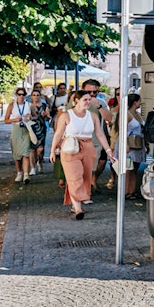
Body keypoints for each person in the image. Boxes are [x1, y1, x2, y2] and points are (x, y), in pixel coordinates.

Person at [49, 89, 115, 219]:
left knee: (85, 177)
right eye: (85, 100)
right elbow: (58, 134)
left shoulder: (92, 116)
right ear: (76, 101)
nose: (88, 102)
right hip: (70, 147)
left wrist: (108, 151)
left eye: (89, 100)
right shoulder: (66, 115)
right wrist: (52, 150)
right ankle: (79, 209)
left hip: (88, 147)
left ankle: (75, 203)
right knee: (74, 177)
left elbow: (100, 134)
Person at [82, 79, 112, 193]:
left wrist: (98, 106)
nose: (92, 95)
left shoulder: (100, 102)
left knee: (99, 163)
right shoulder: (76, 102)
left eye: (95, 92)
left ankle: (92, 181)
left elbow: (109, 118)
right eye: (89, 92)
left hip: (97, 139)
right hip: (81, 139)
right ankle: (84, 190)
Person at [112, 94, 144, 198]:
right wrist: (125, 144)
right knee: (128, 167)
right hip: (129, 142)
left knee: (135, 167)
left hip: (138, 143)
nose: (141, 102)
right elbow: (123, 129)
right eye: (139, 101)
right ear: (135, 102)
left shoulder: (138, 114)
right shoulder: (126, 114)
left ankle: (132, 190)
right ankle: (125, 191)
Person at [4, 88, 37, 184]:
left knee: (26, 152)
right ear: (16, 95)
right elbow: (6, 120)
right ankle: (19, 173)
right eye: (19, 94)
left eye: (23, 94)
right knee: (17, 153)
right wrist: (14, 120)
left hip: (27, 128)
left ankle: (26, 174)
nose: (21, 96)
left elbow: (35, 117)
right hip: (16, 129)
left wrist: (30, 117)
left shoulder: (29, 105)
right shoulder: (12, 105)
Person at [29, 90, 49, 174]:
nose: (36, 96)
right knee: (32, 149)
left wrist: (45, 115)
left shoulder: (44, 106)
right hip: (31, 128)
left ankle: (40, 161)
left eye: (37, 95)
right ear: (31, 96)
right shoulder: (28, 106)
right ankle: (32, 168)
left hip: (41, 128)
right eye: (34, 95)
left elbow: (48, 117)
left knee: (40, 149)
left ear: (40, 96)